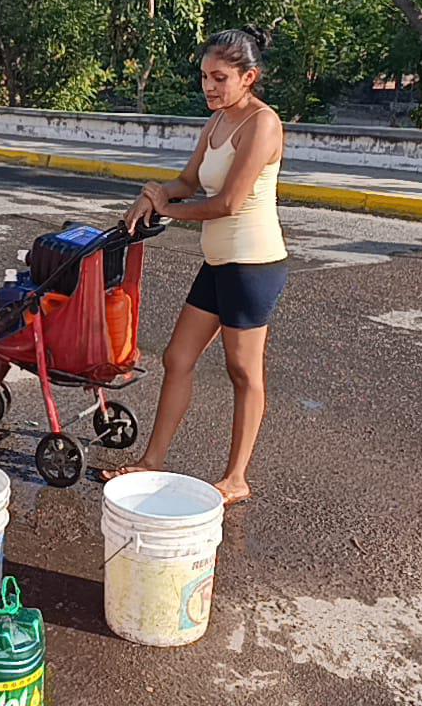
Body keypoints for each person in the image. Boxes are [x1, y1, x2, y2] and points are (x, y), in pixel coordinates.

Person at [105, 28, 287, 507]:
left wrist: (166, 211)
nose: (210, 86)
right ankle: (151, 460)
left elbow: (227, 202)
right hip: (218, 262)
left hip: (252, 265)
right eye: (205, 77)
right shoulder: (218, 121)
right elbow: (190, 180)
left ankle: (236, 478)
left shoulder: (262, 124)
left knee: (243, 371)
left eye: (221, 78)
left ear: (249, 77)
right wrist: (156, 192)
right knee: (177, 358)